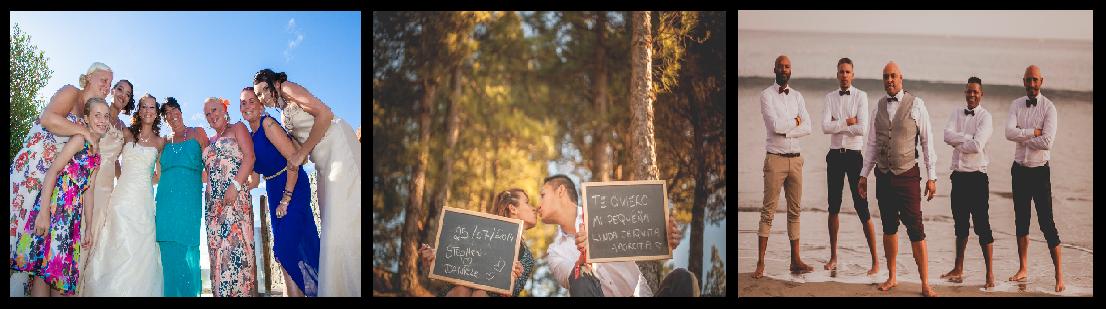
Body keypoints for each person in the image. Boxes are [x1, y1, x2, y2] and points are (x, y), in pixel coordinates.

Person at [253, 69, 361, 296]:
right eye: (258, 94)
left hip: (337, 148)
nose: (262, 97)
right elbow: (290, 150)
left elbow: (325, 114)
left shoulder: (288, 89)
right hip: (322, 164)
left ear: (275, 82)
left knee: (345, 219)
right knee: (331, 225)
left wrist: (303, 152)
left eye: (264, 89)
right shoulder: (281, 113)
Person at [11, 63, 111, 294]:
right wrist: (85, 133)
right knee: (22, 238)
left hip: (62, 192)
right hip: (35, 170)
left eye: (110, 82)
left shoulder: (94, 148)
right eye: (103, 79)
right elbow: (48, 119)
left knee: (49, 264)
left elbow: (89, 188)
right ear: (87, 78)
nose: (107, 86)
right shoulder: (71, 93)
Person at [857, 61, 938, 297]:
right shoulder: (878, 107)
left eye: (893, 76)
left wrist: (931, 177)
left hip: (907, 176)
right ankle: (892, 276)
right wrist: (864, 174)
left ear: (901, 78)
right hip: (883, 176)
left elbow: (926, 143)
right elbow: (872, 144)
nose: (889, 80)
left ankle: (925, 283)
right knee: (889, 227)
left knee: (916, 229)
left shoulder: (917, 105)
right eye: (885, 76)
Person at [537, 175, 683, 296]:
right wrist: (583, 259)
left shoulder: (605, 209)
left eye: (543, 195)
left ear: (560, 191)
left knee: (683, 278)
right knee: (580, 278)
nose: (538, 205)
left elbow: (641, 234)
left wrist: (664, 237)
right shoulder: (554, 252)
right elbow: (575, 282)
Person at [82, 93, 165, 296]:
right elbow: (112, 158)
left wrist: (143, 180)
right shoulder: (127, 133)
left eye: (152, 107)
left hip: (143, 200)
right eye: (144, 106)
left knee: (140, 247)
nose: (147, 110)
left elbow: (158, 176)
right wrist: (124, 176)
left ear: (156, 113)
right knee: (114, 240)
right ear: (139, 110)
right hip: (122, 196)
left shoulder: (160, 142)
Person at [241, 88, 321, 297]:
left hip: (292, 185)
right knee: (285, 253)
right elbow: (254, 180)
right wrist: (231, 187)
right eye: (243, 103)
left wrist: (286, 198)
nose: (247, 106)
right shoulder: (249, 137)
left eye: (251, 101)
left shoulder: (268, 124)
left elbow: (294, 159)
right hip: (272, 190)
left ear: (260, 106)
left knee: (285, 248)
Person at [1004, 65, 1063, 293]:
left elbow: (1047, 142)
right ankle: (1023, 268)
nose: (1031, 84)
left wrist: (1022, 134)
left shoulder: (1050, 108)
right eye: (1028, 80)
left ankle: (1059, 275)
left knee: (1047, 223)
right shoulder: (1016, 104)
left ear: (1041, 81)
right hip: (1019, 170)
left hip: (1039, 171)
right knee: (1021, 220)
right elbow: (1008, 133)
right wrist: (1033, 132)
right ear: (1023, 81)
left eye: (1035, 80)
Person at [754, 55, 813, 278]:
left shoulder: (797, 96)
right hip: (775, 160)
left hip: (796, 160)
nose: (784, 69)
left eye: (788, 66)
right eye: (781, 66)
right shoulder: (766, 96)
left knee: (795, 211)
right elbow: (775, 126)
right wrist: (796, 122)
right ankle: (760, 263)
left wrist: (793, 126)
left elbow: (809, 127)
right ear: (775, 69)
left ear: (791, 70)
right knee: (768, 211)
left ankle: (795, 261)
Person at [418, 188, 536, 297]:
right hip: (458, 292)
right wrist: (435, 259)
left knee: (480, 293)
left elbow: (512, 293)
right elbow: (455, 259)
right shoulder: (479, 231)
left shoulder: (527, 257)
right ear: (513, 208)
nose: (534, 208)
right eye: (527, 202)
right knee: (463, 290)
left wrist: (511, 282)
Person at [820, 57, 878, 275]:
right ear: (837, 74)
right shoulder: (829, 98)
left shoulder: (861, 96)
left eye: (847, 72)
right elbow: (825, 127)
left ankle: (875, 261)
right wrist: (847, 122)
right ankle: (833, 257)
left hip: (854, 157)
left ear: (852, 74)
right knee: (833, 206)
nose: (844, 75)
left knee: (862, 207)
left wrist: (838, 124)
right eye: (841, 72)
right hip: (835, 156)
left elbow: (862, 129)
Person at [76, 79, 130, 296]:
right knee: (79, 231)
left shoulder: (124, 128)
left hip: (107, 187)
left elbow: (119, 161)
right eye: (120, 89)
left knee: (95, 237)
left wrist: (127, 183)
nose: (122, 95)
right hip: (89, 178)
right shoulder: (98, 113)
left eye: (127, 93)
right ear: (113, 91)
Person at [941, 77, 995, 288]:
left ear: (981, 94)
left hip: (977, 178)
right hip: (958, 177)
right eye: (968, 92)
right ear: (965, 93)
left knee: (982, 226)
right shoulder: (956, 113)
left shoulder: (986, 117)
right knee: (960, 226)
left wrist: (959, 140)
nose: (971, 95)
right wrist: (967, 138)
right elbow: (946, 135)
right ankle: (958, 268)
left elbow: (977, 146)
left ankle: (990, 274)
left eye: (975, 92)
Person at [202, 97, 258, 297]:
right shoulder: (209, 142)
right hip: (212, 208)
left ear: (225, 110)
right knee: (217, 256)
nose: (211, 116)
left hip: (235, 200)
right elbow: (206, 174)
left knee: (236, 253)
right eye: (207, 113)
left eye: (215, 110)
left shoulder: (237, 128)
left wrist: (234, 186)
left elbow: (250, 157)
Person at [155, 97, 209, 297]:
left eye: (174, 109)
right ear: (165, 119)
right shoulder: (163, 142)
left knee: (187, 249)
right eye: (167, 113)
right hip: (165, 204)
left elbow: (211, 165)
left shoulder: (197, 133)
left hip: (188, 202)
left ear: (180, 110)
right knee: (168, 252)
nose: (172, 115)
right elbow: (157, 175)